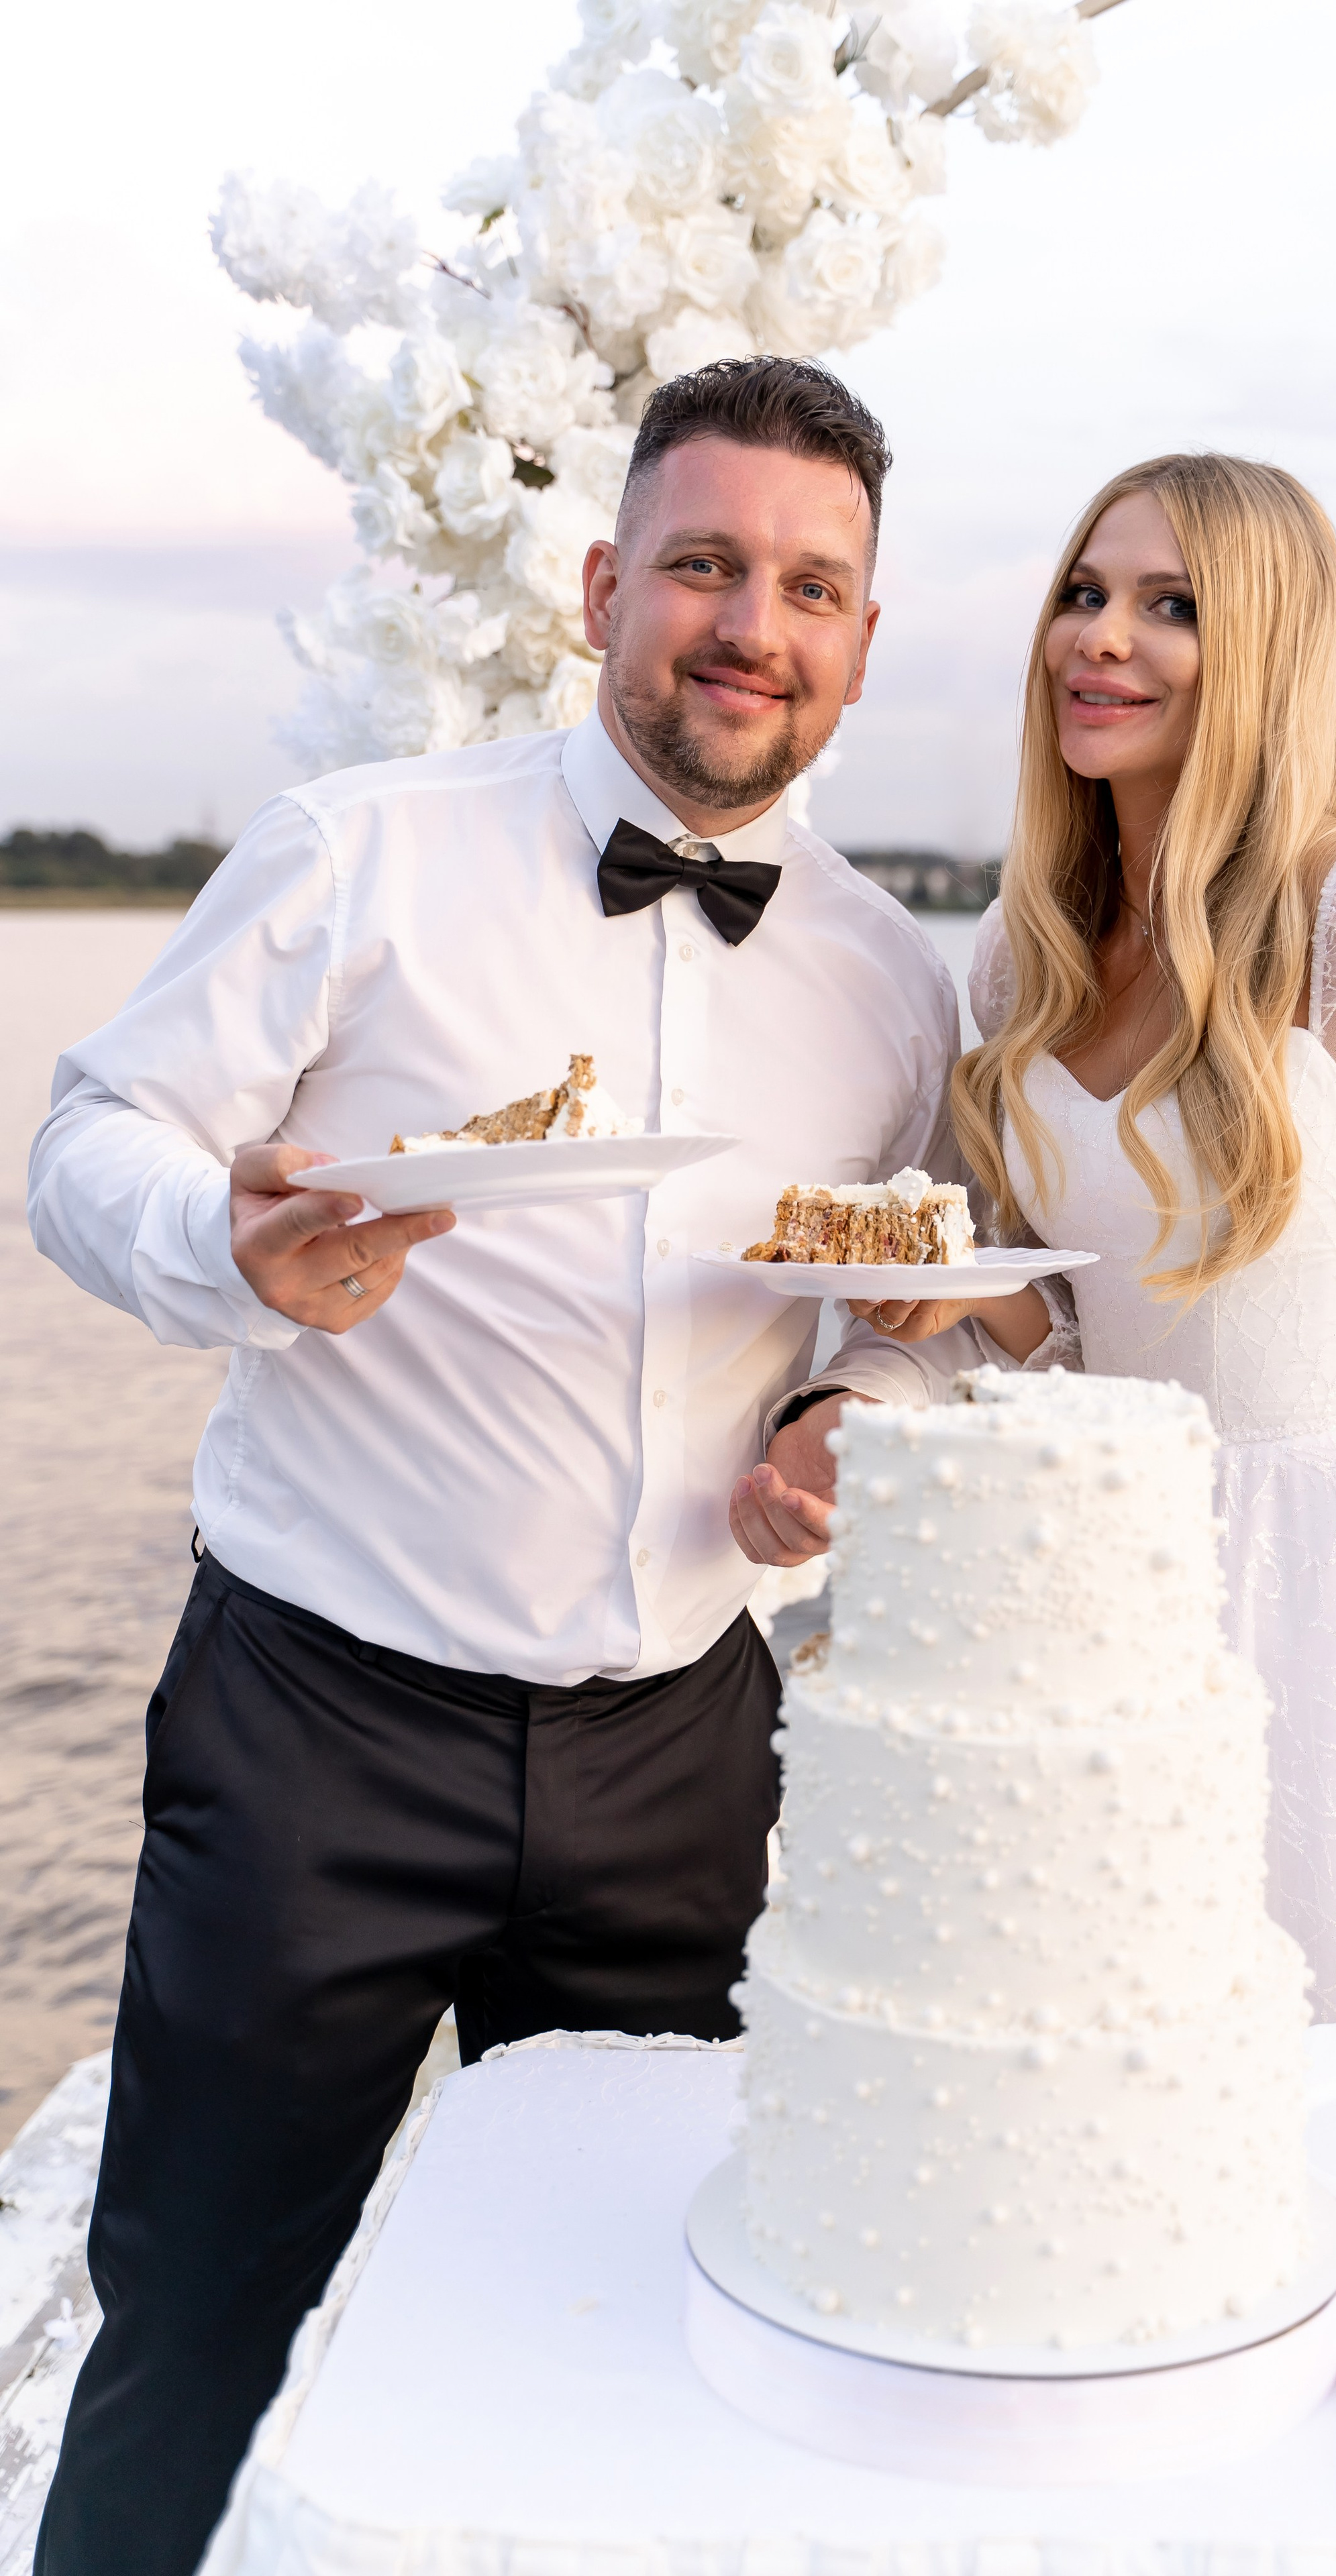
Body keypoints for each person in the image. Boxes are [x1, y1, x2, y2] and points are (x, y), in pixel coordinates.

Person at [26, 357, 960, 2576]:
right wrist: (236, 1254)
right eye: (708, 565)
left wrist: (854, 1426)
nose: (754, 624)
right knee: (199, 2321)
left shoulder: (895, 985)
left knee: (639, 2331)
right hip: (322, 1741)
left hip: (687, 1757)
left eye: (809, 586)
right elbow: (91, 1140)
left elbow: (901, 1311)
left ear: (860, 640)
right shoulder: (363, 852)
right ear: (600, 583)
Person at [732, 451, 1336, 2250]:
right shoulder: (1022, 959)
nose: (1102, 639)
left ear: (1268, 643)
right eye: (1085, 592)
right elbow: (1047, 1315)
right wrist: (897, 1368)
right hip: (1102, 1589)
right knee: (1126, 2170)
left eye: (1171, 604)